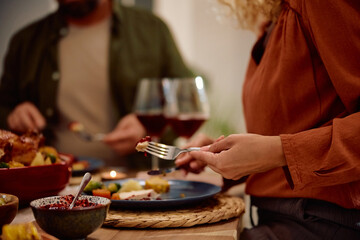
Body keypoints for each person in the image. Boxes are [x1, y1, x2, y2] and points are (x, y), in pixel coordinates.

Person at [176, 0, 360, 239]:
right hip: (284, 218)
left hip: (319, 222)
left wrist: (277, 151)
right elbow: (296, 125)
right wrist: (223, 157)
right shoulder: (277, 17)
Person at [0, 0, 193, 168]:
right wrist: (13, 116)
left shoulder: (152, 30)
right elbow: (4, 107)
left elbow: (187, 100)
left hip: (139, 178)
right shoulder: (25, 42)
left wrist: (148, 126)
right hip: (54, 184)